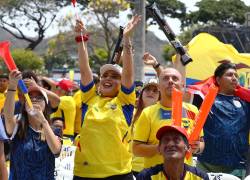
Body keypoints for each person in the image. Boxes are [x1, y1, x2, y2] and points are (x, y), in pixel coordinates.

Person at [73, 15, 141, 179]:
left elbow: (128, 73)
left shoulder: (124, 101)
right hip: (85, 173)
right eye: (105, 75)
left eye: (114, 76)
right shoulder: (89, 98)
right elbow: (84, 69)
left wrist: (126, 39)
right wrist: (81, 39)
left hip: (118, 174)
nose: (108, 78)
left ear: (121, 83)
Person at [132, 65, 205, 176]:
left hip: (184, 175)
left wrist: (197, 147)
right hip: (155, 176)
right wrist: (162, 148)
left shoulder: (193, 110)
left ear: (183, 85)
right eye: (166, 79)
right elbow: (136, 149)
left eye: (175, 78)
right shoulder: (148, 113)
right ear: (159, 87)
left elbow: (201, 142)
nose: (170, 81)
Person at [3, 70, 62, 180]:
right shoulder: (17, 124)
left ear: (46, 104)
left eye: (39, 98)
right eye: (30, 97)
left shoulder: (53, 129)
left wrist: (43, 121)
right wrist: (12, 86)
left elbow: (56, 151)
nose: (34, 99)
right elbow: (7, 116)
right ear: (24, 103)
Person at [196, 62, 250, 179]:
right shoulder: (205, 99)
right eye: (230, 75)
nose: (234, 78)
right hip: (207, 164)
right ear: (218, 80)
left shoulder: (245, 102)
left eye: (236, 75)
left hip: (236, 165)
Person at [137, 125, 209, 180]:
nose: (170, 144)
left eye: (176, 140)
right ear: (159, 148)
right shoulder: (146, 177)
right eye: (166, 140)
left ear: (187, 148)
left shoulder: (200, 177)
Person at [132, 78, 160, 176]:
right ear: (142, 93)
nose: (151, 92)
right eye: (147, 89)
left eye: (155, 91)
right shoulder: (130, 114)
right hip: (131, 169)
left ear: (159, 97)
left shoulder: (164, 116)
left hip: (154, 169)